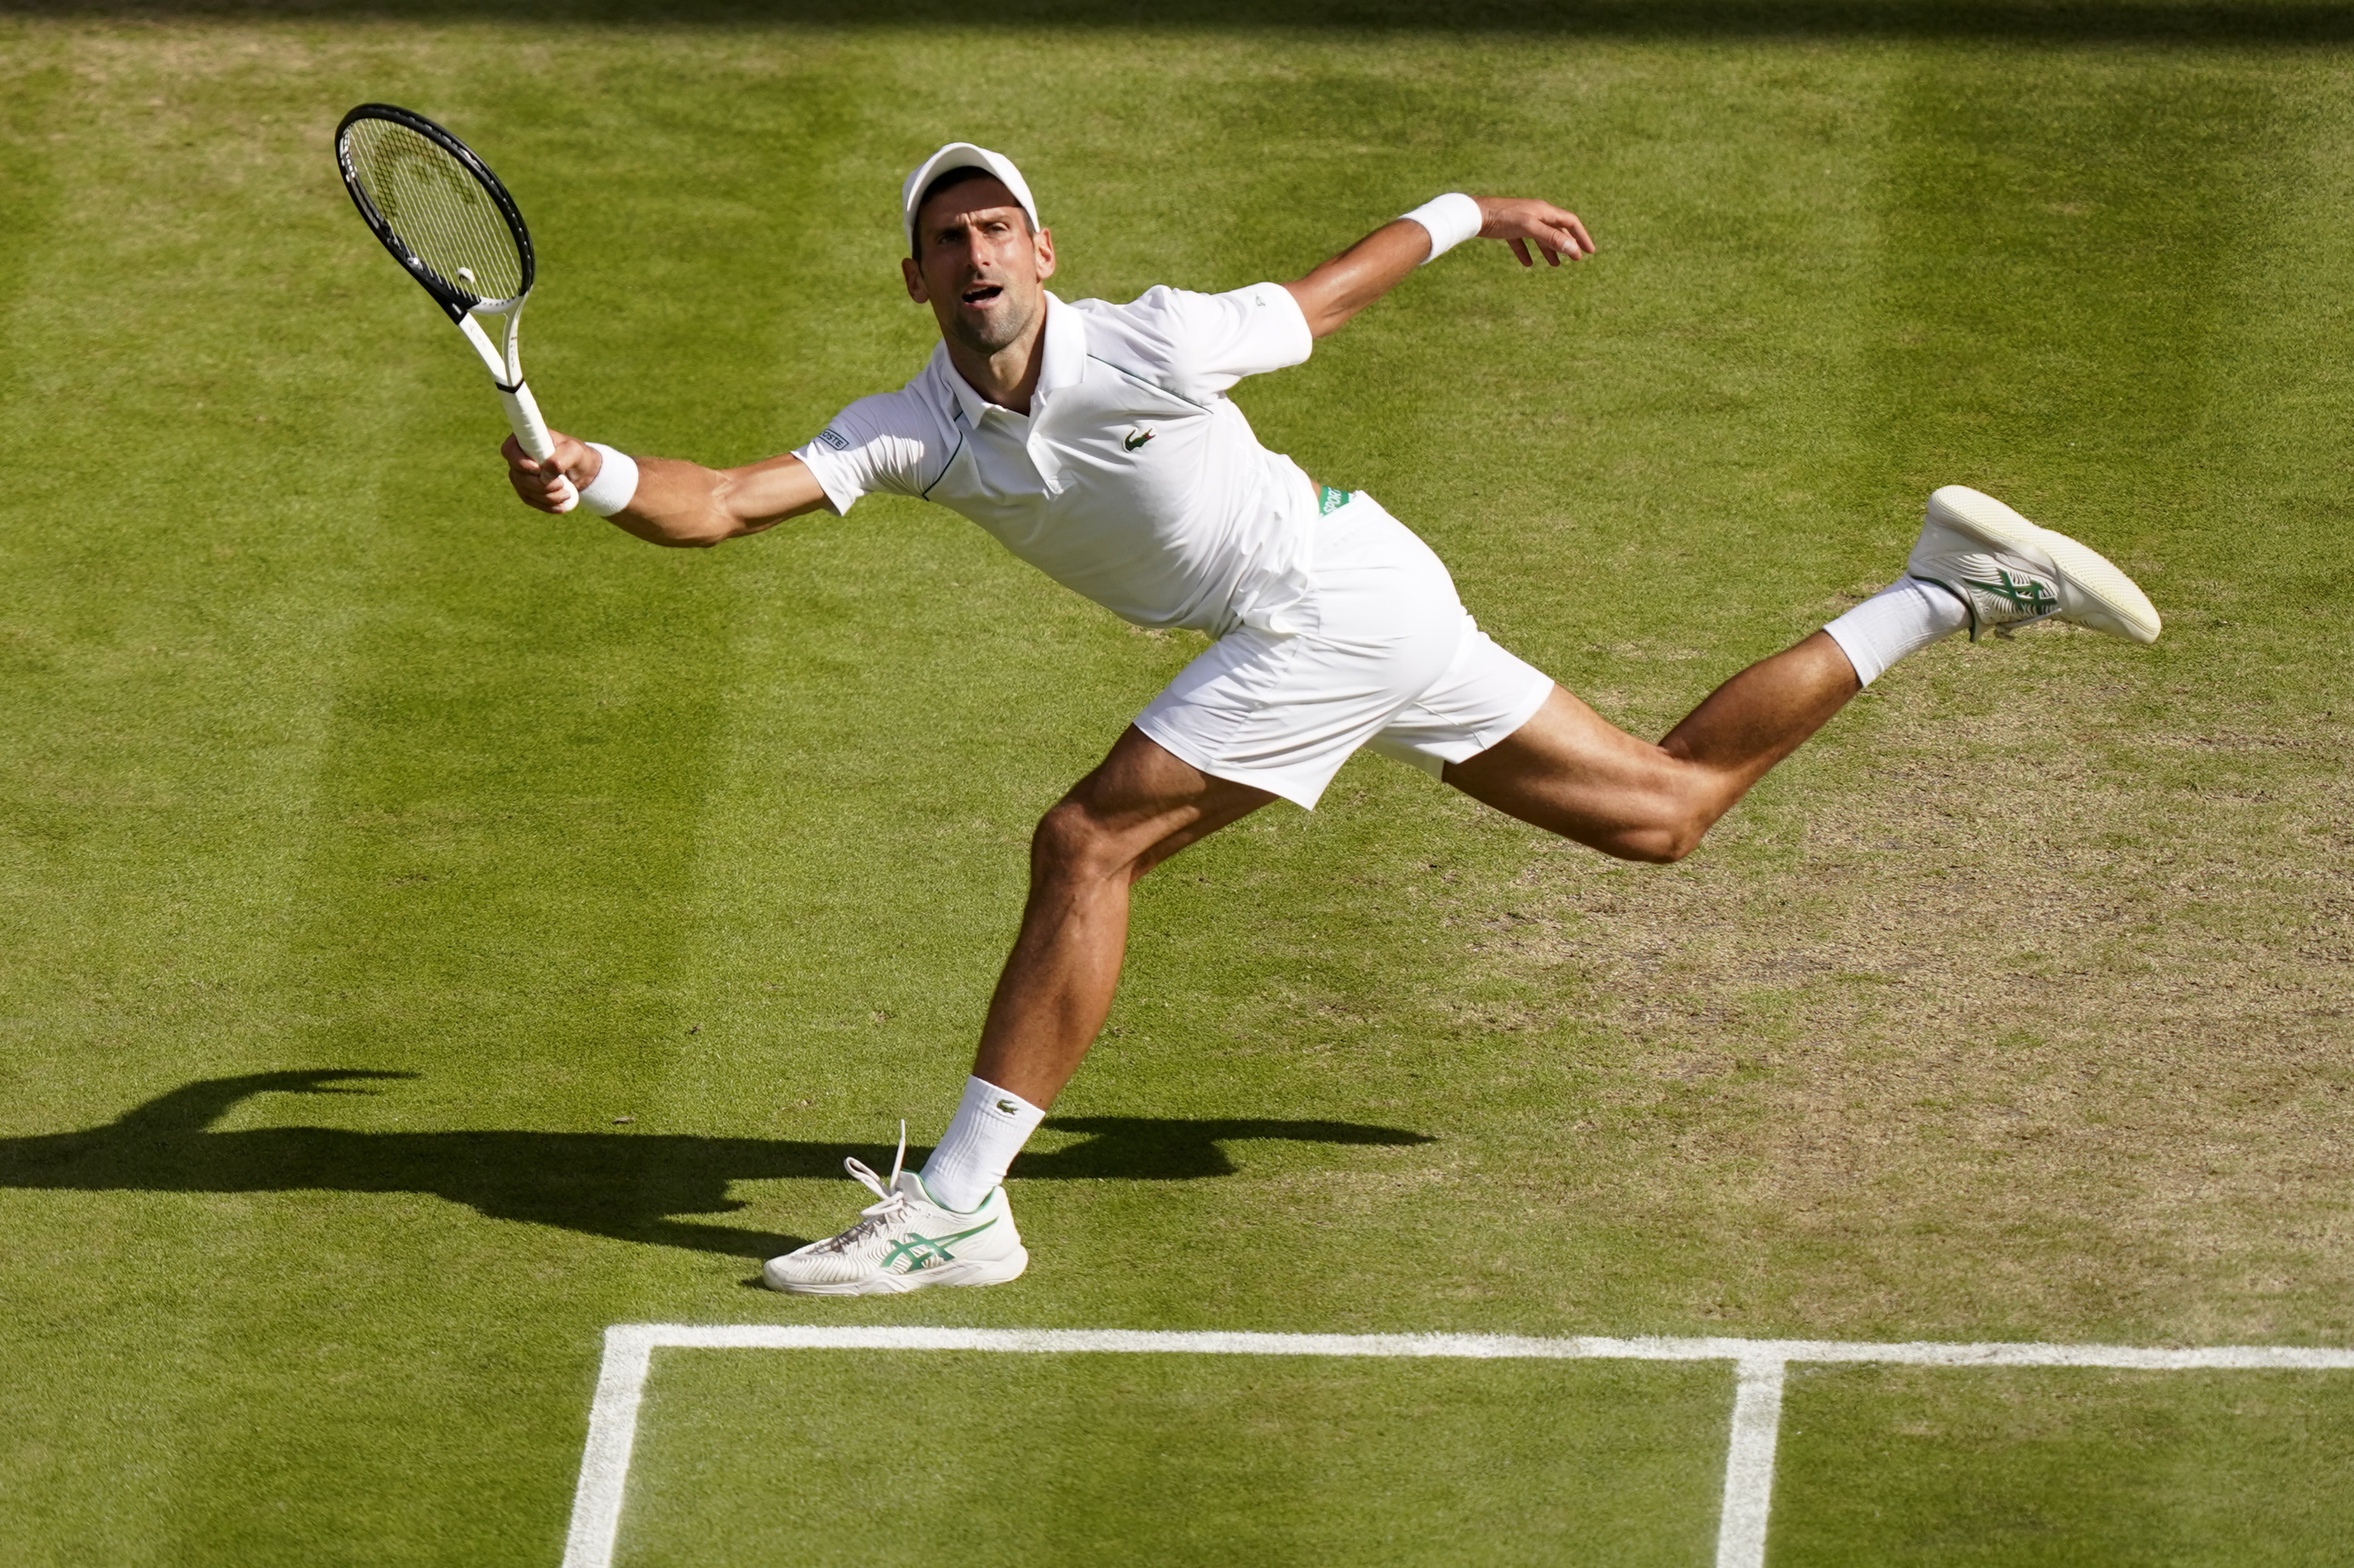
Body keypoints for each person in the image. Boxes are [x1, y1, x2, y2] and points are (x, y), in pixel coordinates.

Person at [504, 142, 2161, 1296]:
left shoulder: (1152, 340)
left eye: (1000, 227)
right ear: (918, 276)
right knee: (1664, 811)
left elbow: (1329, 295)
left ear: (1044, 253)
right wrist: (601, 474)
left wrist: (1474, 209)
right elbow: (728, 500)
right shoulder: (914, 427)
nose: (980, 254)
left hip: (1326, 597)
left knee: (1088, 842)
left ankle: (957, 1208)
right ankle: (1949, 589)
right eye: (951, 239)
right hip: (1364, 598)